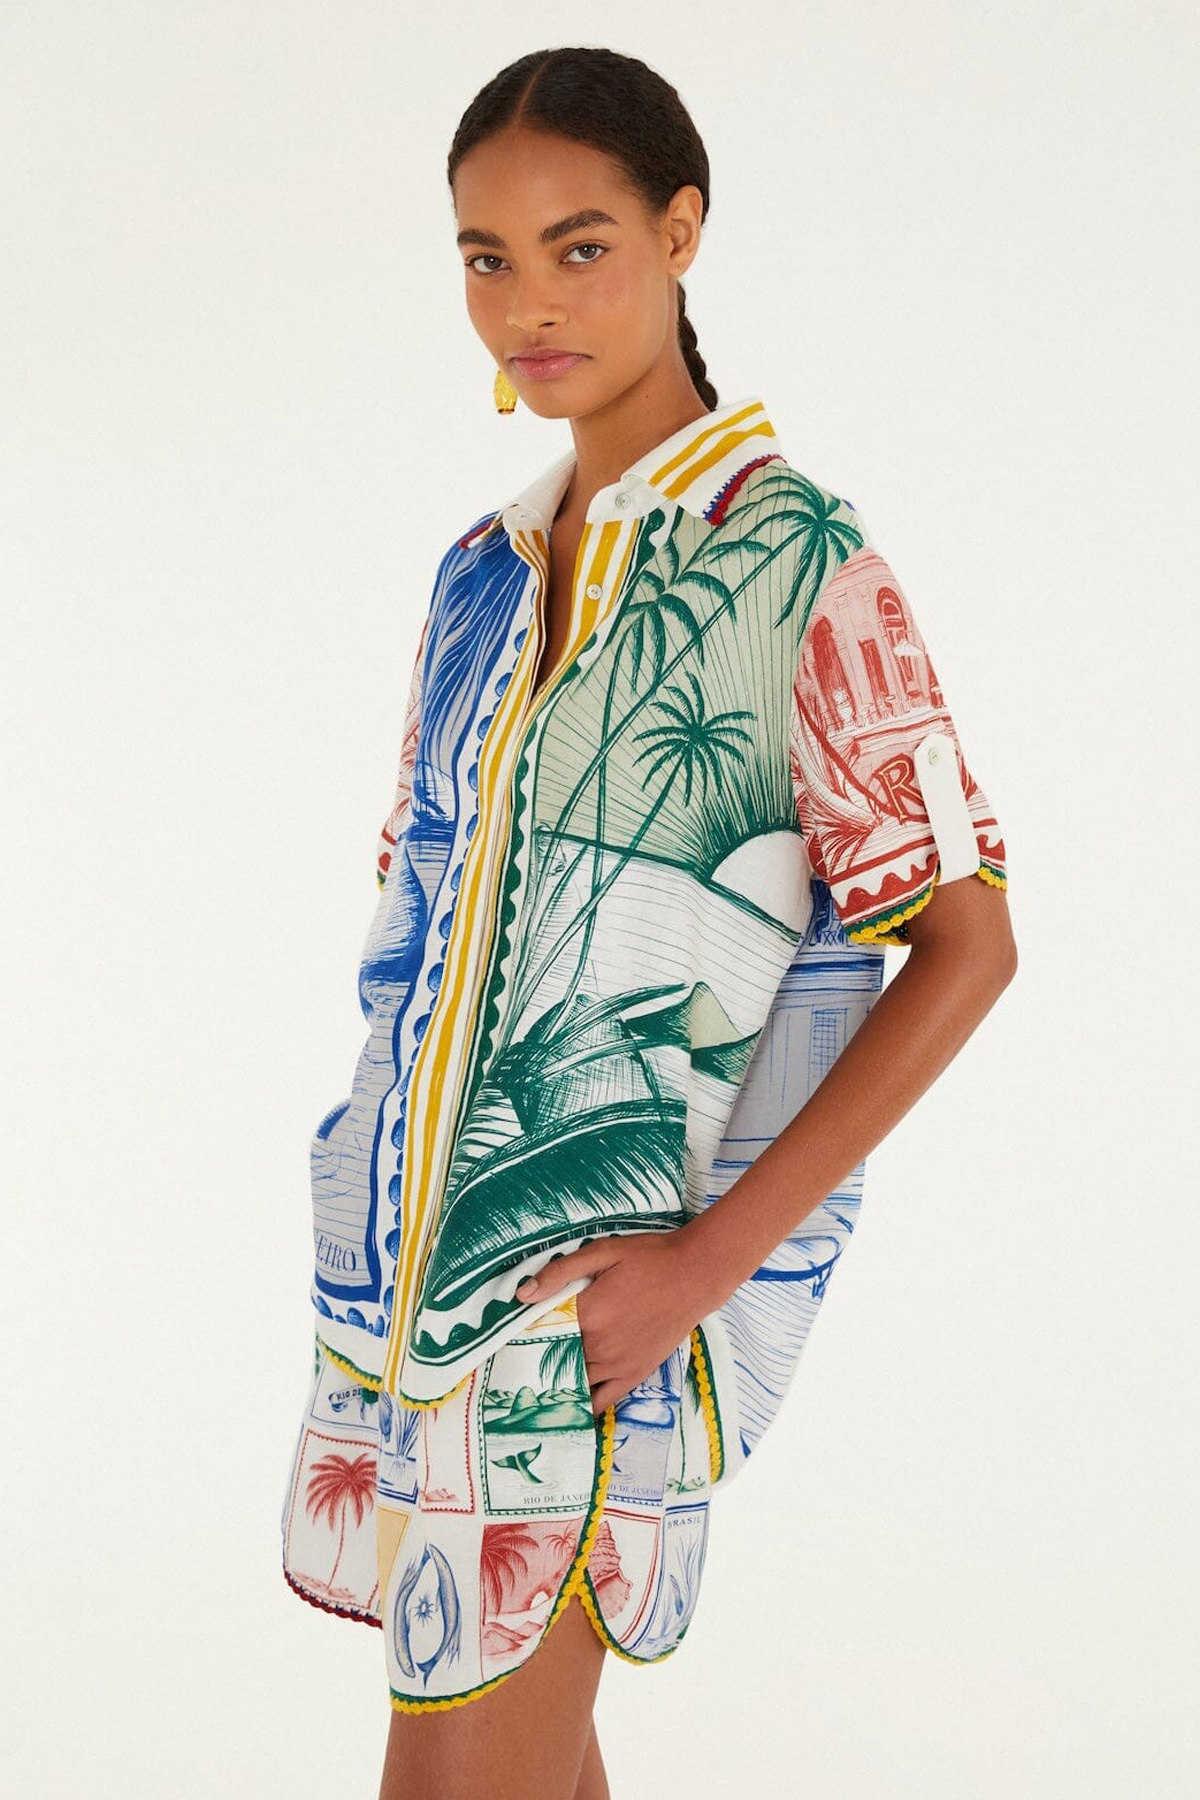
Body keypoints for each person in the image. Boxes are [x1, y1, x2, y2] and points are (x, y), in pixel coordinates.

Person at [278, 45, 1018, 1800]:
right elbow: (426, 933)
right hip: (405, 1291)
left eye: (581, 247)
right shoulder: (480, 573)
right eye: (486, 257)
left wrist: (708, 1263)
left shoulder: (797, 563)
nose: (526, 304)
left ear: (683, 233)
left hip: (586, 1314)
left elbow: (970, 939)